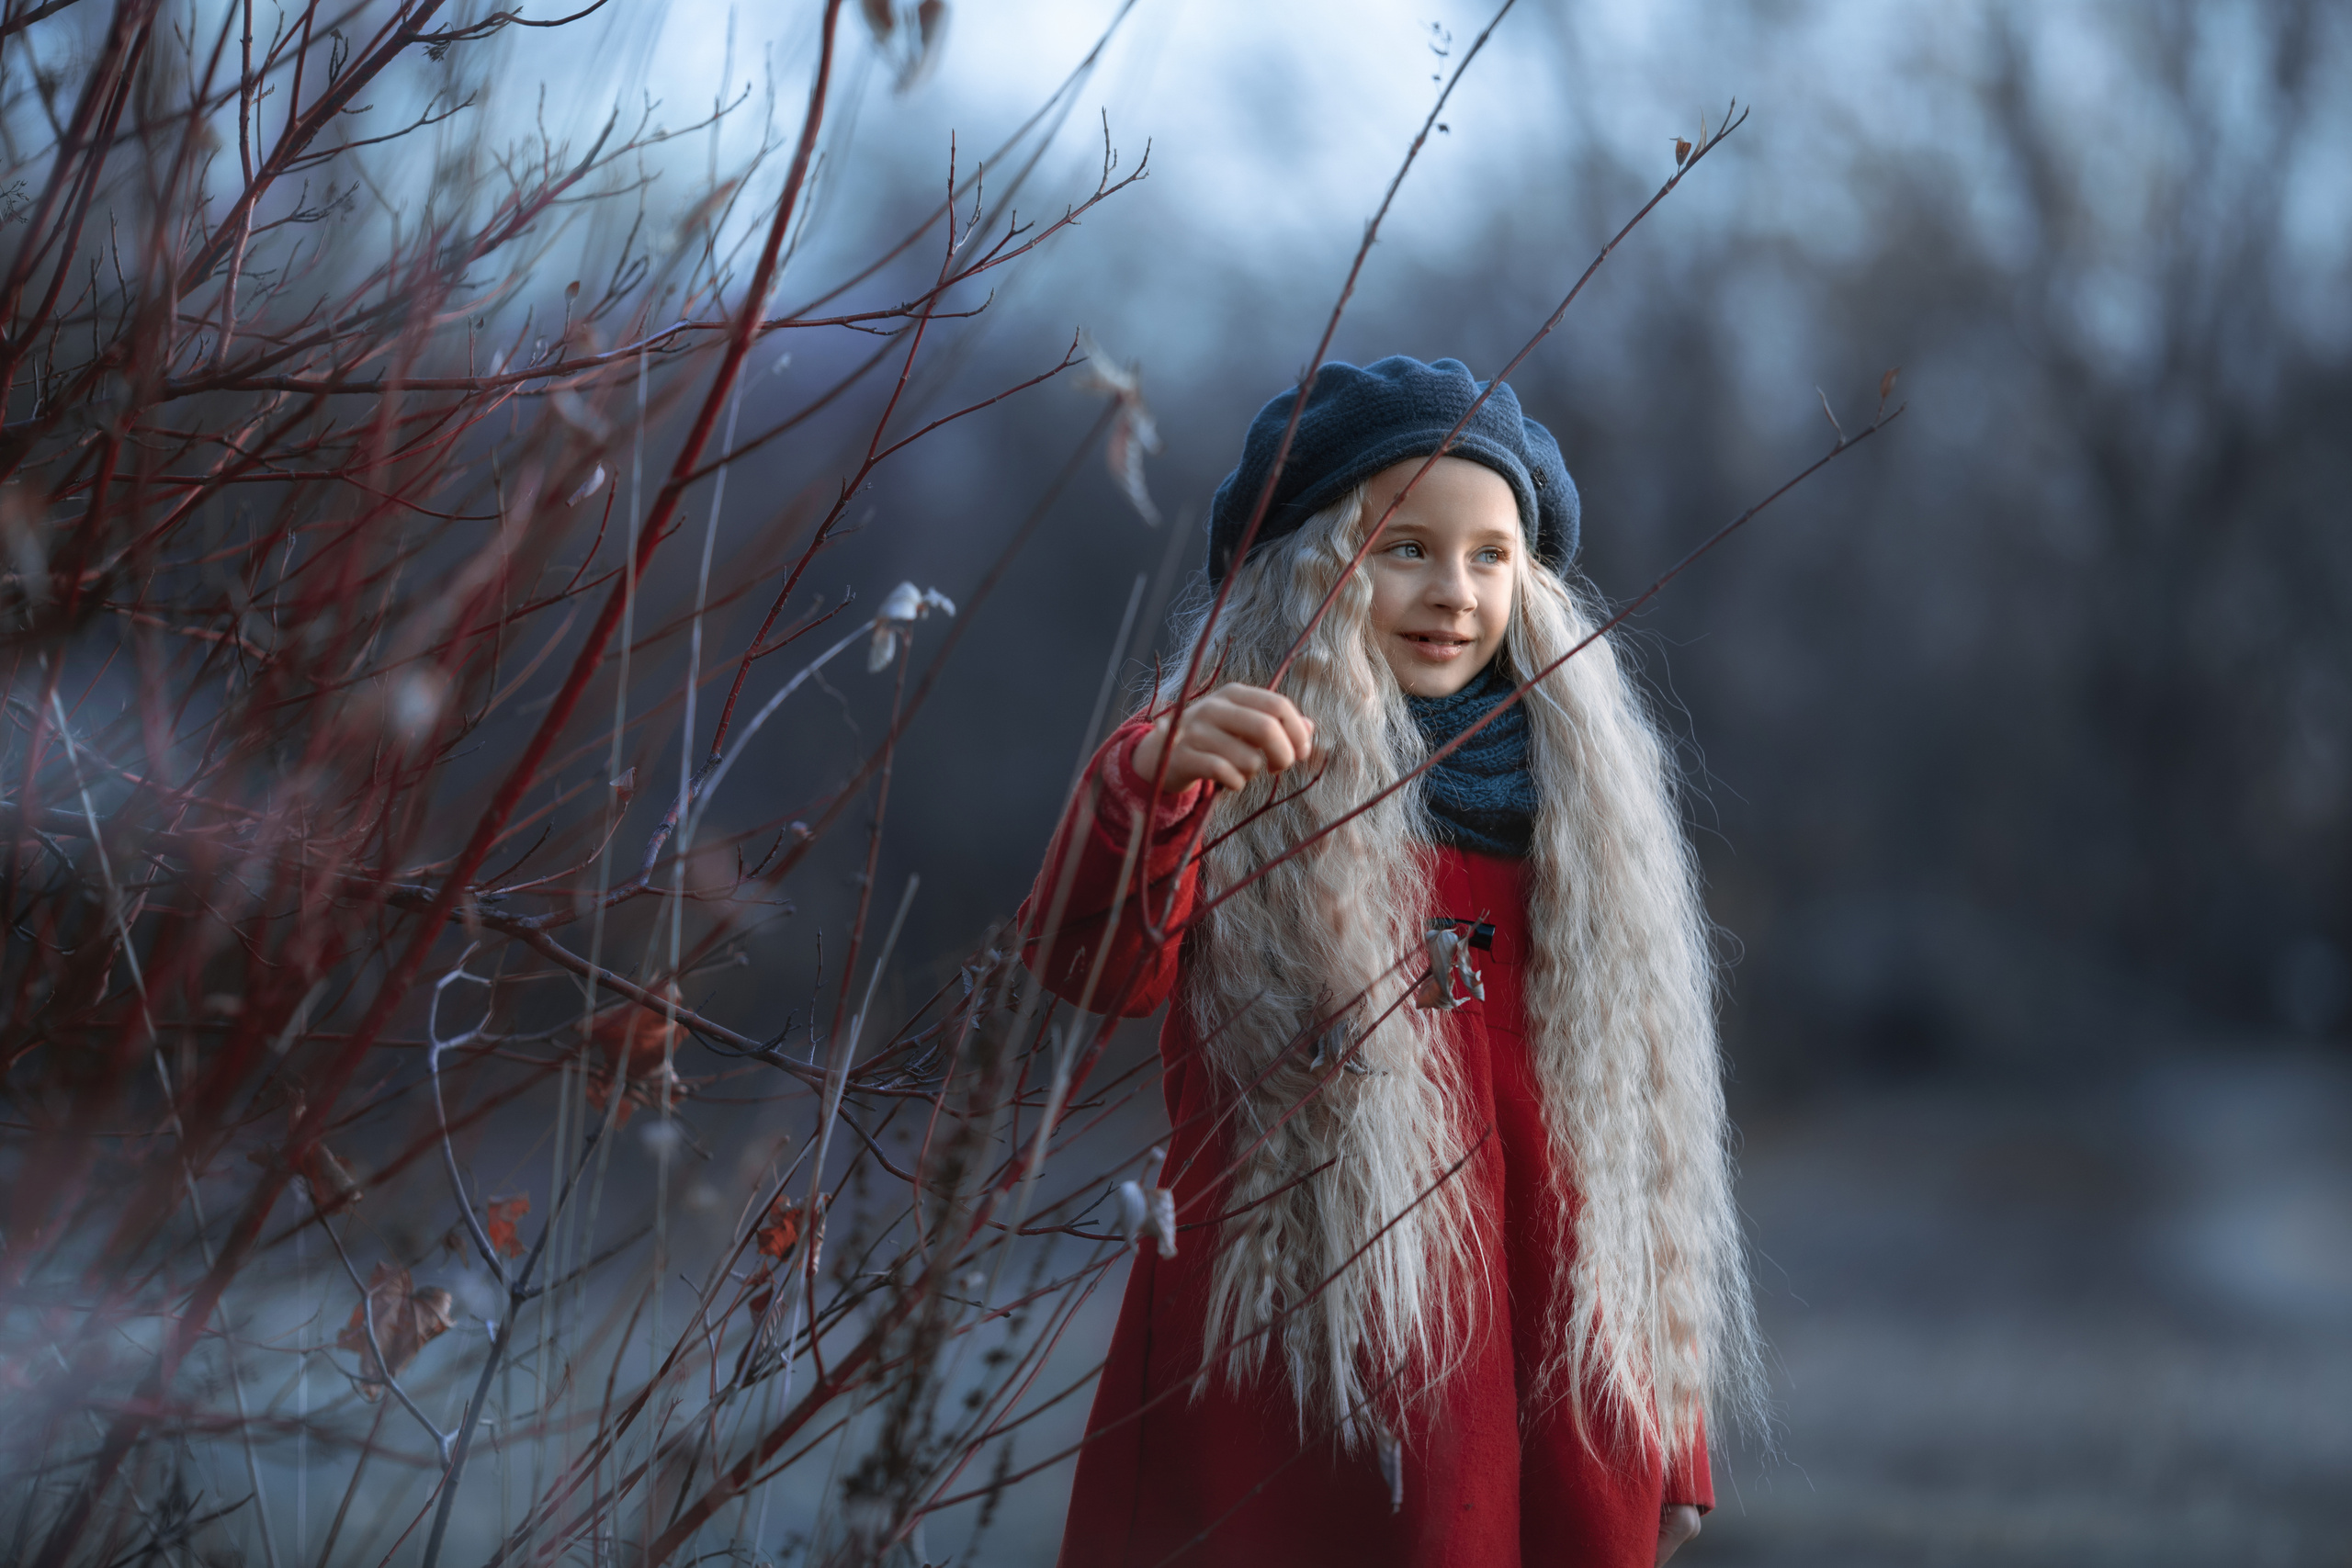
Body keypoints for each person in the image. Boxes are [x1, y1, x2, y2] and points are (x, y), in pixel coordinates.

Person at [1023, 357, 1758, 1568]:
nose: (1453, 592)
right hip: (1293, 1366)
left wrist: (1672, 1430)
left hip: (1552, 1367)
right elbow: (1095, 965)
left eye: (1488, 555)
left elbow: (1645, 1139)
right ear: (1312, 567)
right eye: (1403, 548)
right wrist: (1148, 790)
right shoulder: (1243, 767)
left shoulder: (1584, 817)